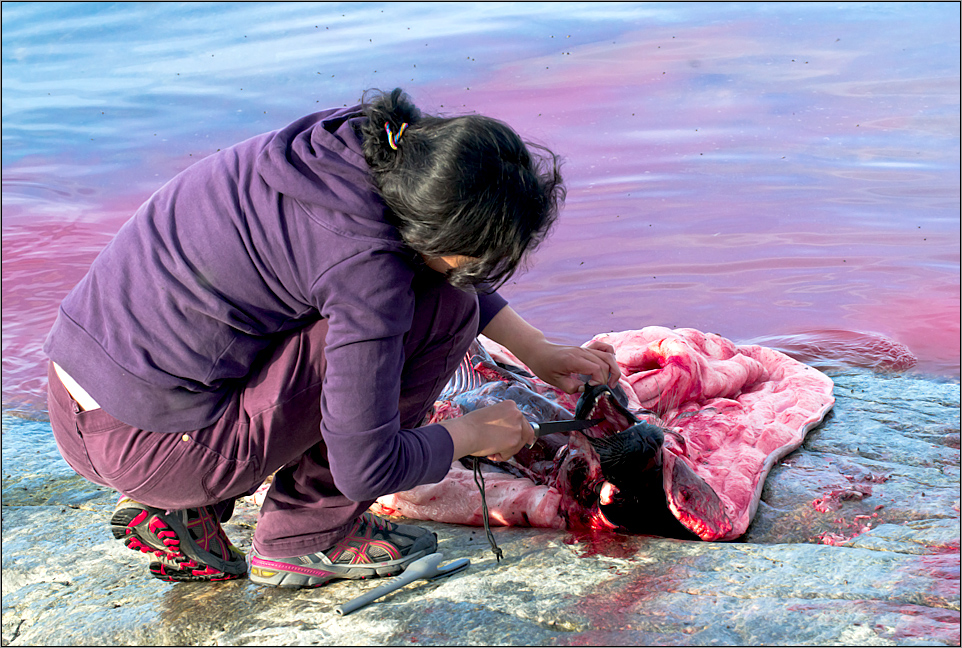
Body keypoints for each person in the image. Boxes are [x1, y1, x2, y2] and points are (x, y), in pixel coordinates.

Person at [43, 87, 621, 588]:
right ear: (434, 233)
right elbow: (366, 466)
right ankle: (305, 532)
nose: (484, 272)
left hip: (89, 400)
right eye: (480, 258)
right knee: (444, 310)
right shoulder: (368, 270)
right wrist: (469, 433)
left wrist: (535, 348)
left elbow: (413, 260)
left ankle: (188, 504)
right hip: (151, 444)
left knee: (432, 294)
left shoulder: (369, 146)